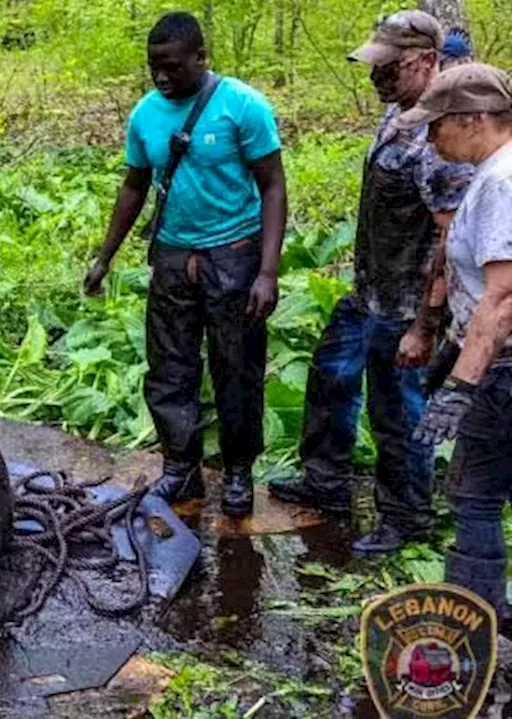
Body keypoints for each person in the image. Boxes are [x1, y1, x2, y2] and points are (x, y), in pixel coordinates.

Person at [268, 10, 473, 554]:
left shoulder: (439, 142)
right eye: (373, 65)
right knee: (330, 378)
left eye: (389, 67)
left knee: (397, 412)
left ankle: (406, 517)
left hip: (407, 307)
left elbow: (452, 243)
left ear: (427, 61)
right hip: (368, 293)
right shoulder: (399, 113)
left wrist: (426, 326)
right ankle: (326, 482)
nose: (375, 77)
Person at [82, 12, 287, 518]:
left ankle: (238, 470)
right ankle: (181, 466)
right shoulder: (146, 115)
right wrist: (104, 256)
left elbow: (273, 186)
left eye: (172, 66)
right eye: (154, 66)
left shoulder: (243, 106)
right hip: (172, 256)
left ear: (200, 57)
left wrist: (267, 271)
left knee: (236, 368)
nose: (161, 77)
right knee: (170, 366)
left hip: (234, 254)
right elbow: (134, 185)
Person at [397, 64, 512, 614]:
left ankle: (474, 622)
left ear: (474, 119)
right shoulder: (494, 174)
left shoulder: (501, 182)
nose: (430, 137)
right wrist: (448, 351)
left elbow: (504, 297)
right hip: (492, 359)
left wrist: (461, 386)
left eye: (436, 124)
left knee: (475, 495)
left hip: (503, 370)